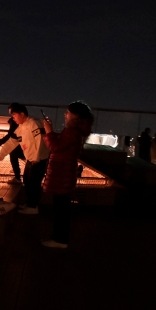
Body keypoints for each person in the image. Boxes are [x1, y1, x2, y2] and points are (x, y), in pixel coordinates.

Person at [41, 102, 94, 249]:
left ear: (75, 116)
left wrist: (49, 131)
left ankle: (60, 240)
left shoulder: (72, 131)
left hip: (62, 174)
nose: (65, 114)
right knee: (61, 208)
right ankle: (59, 238)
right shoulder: (75, 131)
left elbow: (56, 147)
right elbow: (62, 144)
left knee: (60, 210)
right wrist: (51, 132)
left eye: (68, 112)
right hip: (65, 174)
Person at [0, 103, 50, 214]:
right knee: (27, 181)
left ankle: (33, 207)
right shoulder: (20, 128)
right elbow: (11, 143)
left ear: (22, 114)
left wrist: (36, 158)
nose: (13, 118)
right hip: (31, 160)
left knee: (33, 183)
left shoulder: (34, 124)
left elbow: (41, 142)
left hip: (38, 160)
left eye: (14, 115)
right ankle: (30, 203)